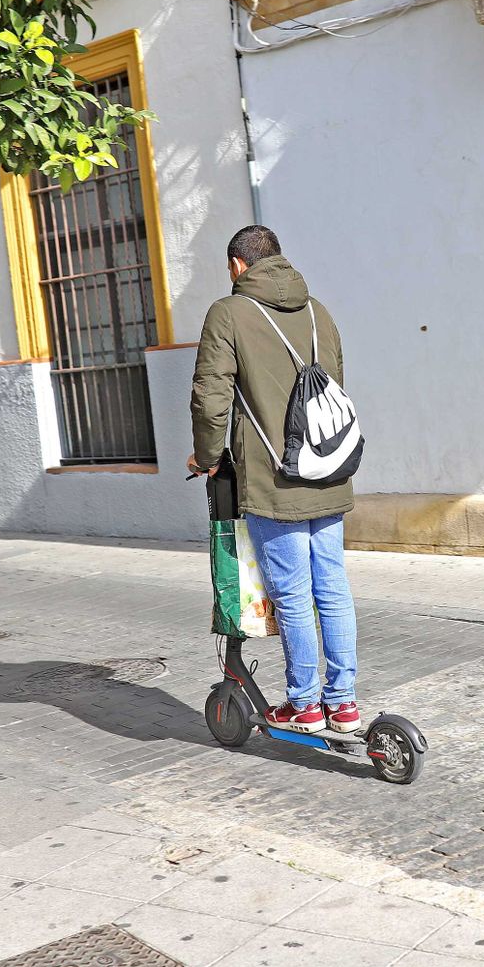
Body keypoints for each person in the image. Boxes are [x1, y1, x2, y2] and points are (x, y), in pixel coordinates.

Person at [188, 225, 361, 735]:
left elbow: (210, 396)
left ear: (238, 266)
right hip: (327, 469)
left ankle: (305, 703)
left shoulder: (229, 313)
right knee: (331, 588)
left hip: (272, 478)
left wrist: (208, 456)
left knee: (291, 593)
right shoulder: (320, 313)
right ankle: (344, 703)